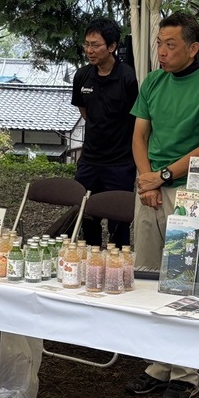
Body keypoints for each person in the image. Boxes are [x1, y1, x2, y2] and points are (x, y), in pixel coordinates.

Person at [123, 12, 199, 398]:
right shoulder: (152, 81)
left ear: (193, 48)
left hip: (194, 190)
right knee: (150, 277)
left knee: (185, 281)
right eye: (159, 43)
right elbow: (139, 133)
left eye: (171, 45)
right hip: (151, 186)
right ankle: (158, 363)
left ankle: (186, 372)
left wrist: (163, 176)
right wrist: (146, 178)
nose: (162, 52)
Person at [71, 17, 138, 248]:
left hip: (120, 163)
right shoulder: (82, 76)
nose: (90, 50)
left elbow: (137, 119)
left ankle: (118, 266)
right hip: (89, 160)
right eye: (87, 44)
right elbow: (85, 111)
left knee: (118, 222)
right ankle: (90, 260)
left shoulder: (128, 78)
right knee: (87, 214)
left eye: (96, 45)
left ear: (111, 47)